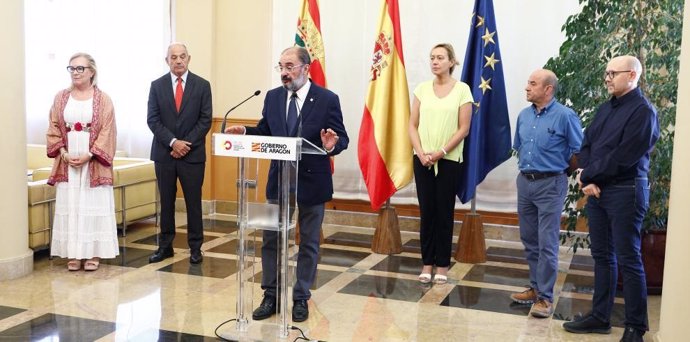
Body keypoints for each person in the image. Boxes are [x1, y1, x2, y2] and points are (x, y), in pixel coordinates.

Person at [225, 46, 348, 322]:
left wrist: (333, 144)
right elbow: (267, 132)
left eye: (290, 66)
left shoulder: (327, 99)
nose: (284, 72)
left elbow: (341, 138)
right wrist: (246, 132)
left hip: (312, 183)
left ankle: (301, 296)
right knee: (271, 239)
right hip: (277, 182)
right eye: (280, 66)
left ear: (306, 68)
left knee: (309, 242)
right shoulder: (272, 97)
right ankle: (271, 294)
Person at [562, 55, 659, 342]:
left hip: (625, 190)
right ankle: (600, 317)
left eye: (612, 73)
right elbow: (586, 143)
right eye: (606, 73)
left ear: (631, 75)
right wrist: (585, 174)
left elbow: (624, 157)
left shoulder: (643, 111)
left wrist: (589, 175)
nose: (606, 78)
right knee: (602, 256)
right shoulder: (606, 108)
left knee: (629, 258)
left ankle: (635, 328)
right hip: (598, 190)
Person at [511, 69, 583, 318]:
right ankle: (534, 287)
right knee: (529, 239)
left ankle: (545, 297)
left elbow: (579, 152)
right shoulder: (523, 116)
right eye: (528, 83)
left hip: (551, 184)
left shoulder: (565, 116)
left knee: (547, 243)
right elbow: (518, 148)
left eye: (532, 84)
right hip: (525, 182)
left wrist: (559, 174)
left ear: (548, 89)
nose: (527, 88)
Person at [46, 52, 119, 271]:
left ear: (92, 72)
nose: (76, 73)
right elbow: (53, 126)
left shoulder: (103, 99)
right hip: (68, 158)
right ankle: (73, 254)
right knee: (72, 204)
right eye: (72, 68)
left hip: (93, 160)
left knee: (92, 204)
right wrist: (63, 152)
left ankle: (93, 253)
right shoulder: (61, 97)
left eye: (80, 68)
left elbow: (108, 130)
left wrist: (90, 153)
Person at [407, 43, 472, 285]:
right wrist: (421, 152)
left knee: (444, 213)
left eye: (440, 58)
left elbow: (464, 128)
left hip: (449, 160)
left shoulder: (462, 90)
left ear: (452, 62)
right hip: (422, 159)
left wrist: (441, 152)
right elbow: (412, 124)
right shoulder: (422, 89)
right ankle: (426, 263)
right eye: (432, 57)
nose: (435, 62)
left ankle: (442, 265)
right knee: (427, 213)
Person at [147, 42, 212, 265]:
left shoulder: (202, 85)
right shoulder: (157, 86)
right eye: (173, 57)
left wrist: (185, 144)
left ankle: (195, 248)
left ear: (189, 58)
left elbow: (205, 120)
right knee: (166, 202)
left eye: (182, 56)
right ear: (167, 61)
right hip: (164, 154)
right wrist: (173, 142)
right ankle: (165, 246)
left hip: (192, 156)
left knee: (193, 202)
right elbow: (152, 120)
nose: (178, 60)